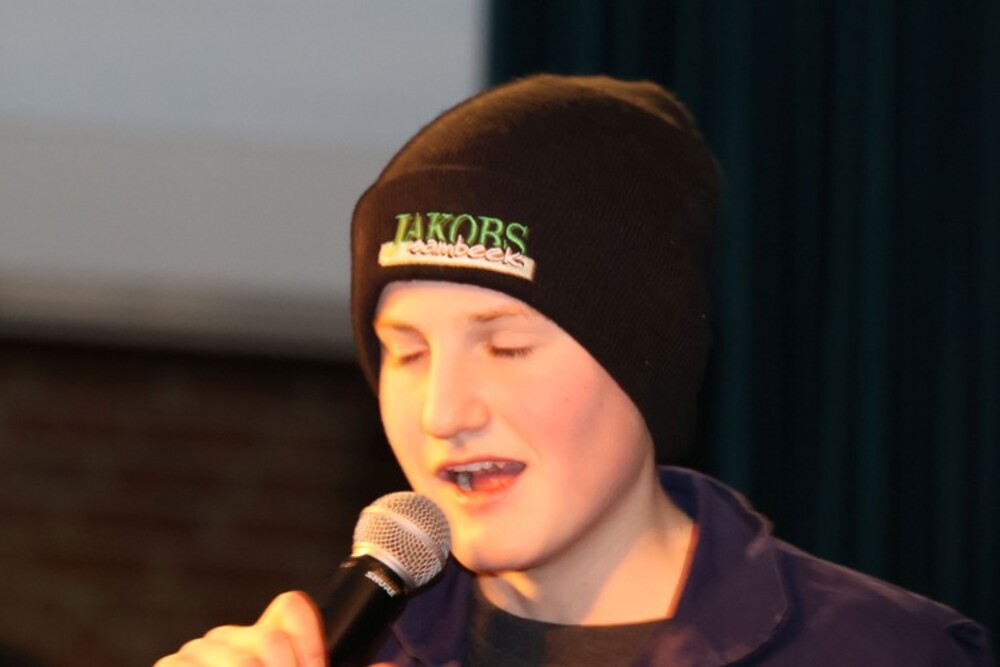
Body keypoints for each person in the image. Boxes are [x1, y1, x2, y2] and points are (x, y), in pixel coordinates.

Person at [155, 74, 993, 666]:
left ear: (645, 362)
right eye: (407, 352)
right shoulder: (359, 651)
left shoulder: (878, 651)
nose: (443, 411)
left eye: (506, 347)